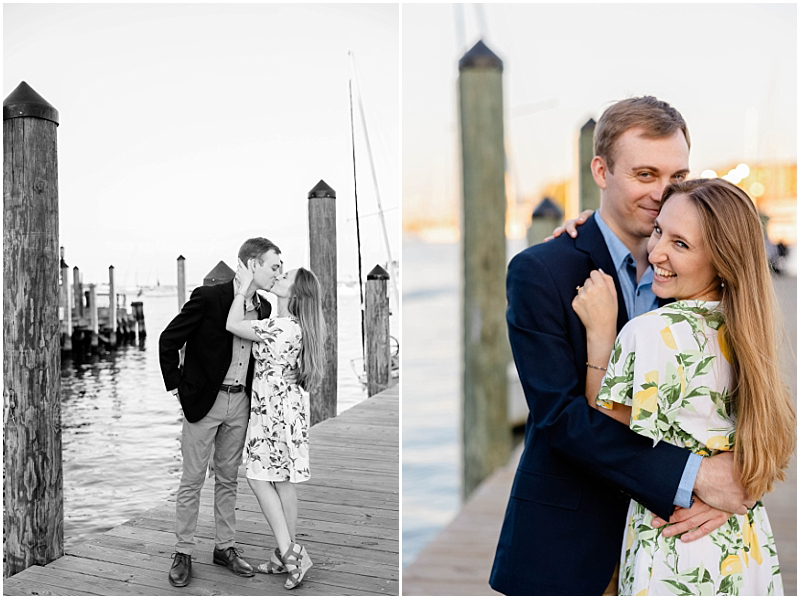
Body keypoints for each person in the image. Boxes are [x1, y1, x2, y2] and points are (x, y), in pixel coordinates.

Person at [489, 97, 753, 596]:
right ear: (601, 171)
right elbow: (561, 418)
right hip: (571, 542)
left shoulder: (707, 276)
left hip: (677, 542)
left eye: (676, 177)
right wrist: (697, 476)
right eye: (645, 174)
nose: (662, 193)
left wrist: (737, 482)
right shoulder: (541, 272)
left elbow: (744, 394)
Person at [572, 178, 793, 594]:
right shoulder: (749, 329)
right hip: (745, 546)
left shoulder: (650, 333)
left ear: (721, 258)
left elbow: (603, 427)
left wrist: (602, 334)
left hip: (674, 551)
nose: (656, 252)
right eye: (659, 231)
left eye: (681, 244)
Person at [159, 237, 283, 587]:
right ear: (252, 265)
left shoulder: (265, 309)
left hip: (241, 402)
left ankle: (224, 547)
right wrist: (177, 388)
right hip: (204, 402)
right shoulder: (209, 297)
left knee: (228, 478)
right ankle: (183, 551)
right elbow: (168, 340)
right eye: (273, 266)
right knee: (193, 479)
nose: (277, 273)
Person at [226, 259, 325, 590]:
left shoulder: (279, 327)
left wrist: (242, 288)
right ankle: (284, 556)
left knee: (256, 477)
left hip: (271, 412)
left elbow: (233, 324)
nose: (279, 276)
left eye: (285, 276)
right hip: (287, 411)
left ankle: (291, 552)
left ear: (294, 292)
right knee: (282, 482)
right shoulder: (293, 324)